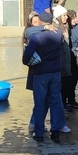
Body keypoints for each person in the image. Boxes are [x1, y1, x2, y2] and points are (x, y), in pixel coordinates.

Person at [23, 11, 65, 143]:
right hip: (55, 73)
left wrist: (26, 61)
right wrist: (47, 27)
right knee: (55, 102)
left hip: (40, 73)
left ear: (40, 22)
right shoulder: (58, 33)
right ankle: (55, 132)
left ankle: (39, 133)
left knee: (40, 104)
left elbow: (27, 35)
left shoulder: (36, 37)